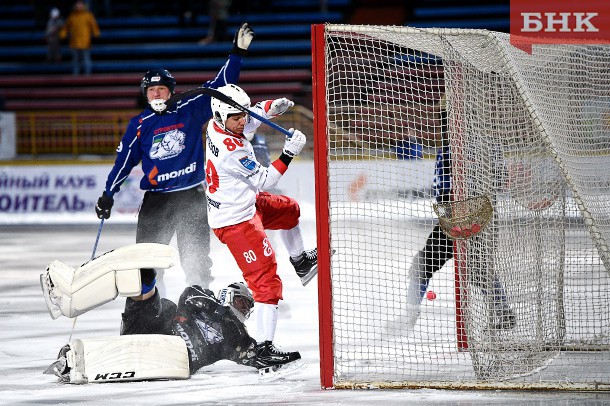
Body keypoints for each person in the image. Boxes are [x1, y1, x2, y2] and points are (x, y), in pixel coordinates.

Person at [94, 23, 255, 299]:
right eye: (151, 90)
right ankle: (153, 312)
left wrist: (236, 53)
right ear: (145, 94)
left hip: (192, 198)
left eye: (161, 89)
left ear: (171, 90)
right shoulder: (139, 125)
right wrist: (108, 194)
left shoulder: (190, 108)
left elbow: (220, 87)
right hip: (157, 202)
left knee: (197, 263)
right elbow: (123, 163)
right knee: (146, 265)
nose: (157, 94)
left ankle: (198, 312)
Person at [205, 84, 318, 368]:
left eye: (242, 114)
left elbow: (250, 115)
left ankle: (301, 262)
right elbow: (267, 180)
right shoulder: (231, 151)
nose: (242, 121)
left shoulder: (218, 123)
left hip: (246, 205)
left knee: (289, 210)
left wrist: (270, 107)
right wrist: (289, 153)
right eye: (235, 117)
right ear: (221, 118)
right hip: (236, 222)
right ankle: (264, 349)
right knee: (266, 283)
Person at [391, 94, 516, 332]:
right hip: (482, 217)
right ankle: (503, 310)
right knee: (480, 269)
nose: (441, 123)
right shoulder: (488, 146)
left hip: (459, 217)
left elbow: (445, 190)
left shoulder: (452, 149)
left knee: (423, 265)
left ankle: (409, 317)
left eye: (443, 118)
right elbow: (501, 181)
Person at [46, 281, 300, 382]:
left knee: (164, 305)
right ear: (230, 296)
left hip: (174, 358)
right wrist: (221, 313)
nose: (244, 310)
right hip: (151, 331)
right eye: (243, 302)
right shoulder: (207, 299)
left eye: (248, 307)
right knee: (147, 281)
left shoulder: (238, 336)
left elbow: (254, 355)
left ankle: (92, 360)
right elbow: (189, 295)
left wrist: (287, 358)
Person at [59, 0, 100, 75]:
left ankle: (87, 74)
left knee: (86, 59)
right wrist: (63, 34)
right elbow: (66, 27)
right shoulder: (72, 16)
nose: (79, 6)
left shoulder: (88, 15)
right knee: (75, 60)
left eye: (81, 4)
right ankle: (76, 74)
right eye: (77, 4)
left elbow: (94, 26)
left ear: (84, 6)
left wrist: (96, 33)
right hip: (74, 42)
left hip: (85, 41)